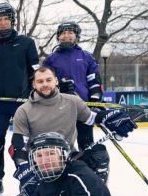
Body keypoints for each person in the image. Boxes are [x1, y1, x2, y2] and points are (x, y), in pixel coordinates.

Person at [10, 66, 137, 196]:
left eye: (48, 80)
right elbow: (18, 146)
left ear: (56, 81)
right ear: (34, 84)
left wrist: (111, 118)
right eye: (40, 81)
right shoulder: (23, 111)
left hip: (68, 159)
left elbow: (92, 118)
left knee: (98, 154)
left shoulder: (72, 101)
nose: (45, 84)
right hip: (41, 163)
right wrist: (25, 172)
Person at [0, 2, 39, 196]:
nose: (3, 23)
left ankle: (28, 182)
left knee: (23, 143)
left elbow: (36, 73)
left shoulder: (27, 43)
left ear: (12, 21)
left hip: (23, 103)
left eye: (6, 19)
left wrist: (34, 92)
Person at [42, 21, 110, 181]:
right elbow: (44, 83)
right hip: (60, 109)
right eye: (63, 33)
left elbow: (94, 81)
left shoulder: (86, 56)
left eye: (70, 32)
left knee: (87, 145)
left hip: (83, 108)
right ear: (58, 36)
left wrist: (95, 103)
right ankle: (62, 180)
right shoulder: (51, 59)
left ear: (76, 36)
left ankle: (90, 180)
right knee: (61, 146)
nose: (66, 35)